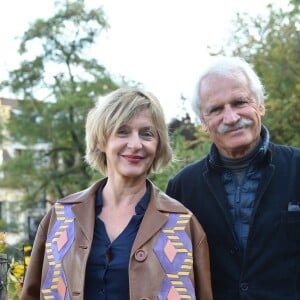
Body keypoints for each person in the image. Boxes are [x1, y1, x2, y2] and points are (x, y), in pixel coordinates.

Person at [21, 87, 213, 300]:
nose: (135, 144)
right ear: (102, 140)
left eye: (146, 134)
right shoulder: (61, 217)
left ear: (158, 144)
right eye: (122, 131)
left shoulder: (182, 224)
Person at [166, 56, 300, 300]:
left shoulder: (297, 168)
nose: (231, 118)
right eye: (216, 109)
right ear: (203, 122)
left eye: (240, 102)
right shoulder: (182, 188)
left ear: (260, 105)